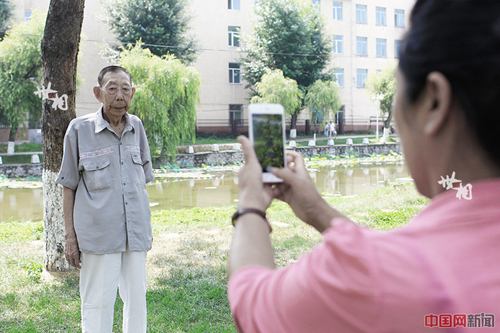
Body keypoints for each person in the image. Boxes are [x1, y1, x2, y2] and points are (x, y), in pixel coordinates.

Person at [227, 0, 500, 332]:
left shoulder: (375, 280)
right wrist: (318, 211)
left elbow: (251, 303)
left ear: (433, 102)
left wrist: (250, 204)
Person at [56, 66, 154, 333]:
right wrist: (70, 237)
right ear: (99, 93)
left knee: (137, 301)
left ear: (132, 93)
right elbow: (68, 185)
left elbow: (142, 179)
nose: (119, 95)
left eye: (125, 89)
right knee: (97, 304)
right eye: (112, 88)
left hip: (135, 232)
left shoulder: (137, 127)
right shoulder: (79, 130)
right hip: (98, 234)